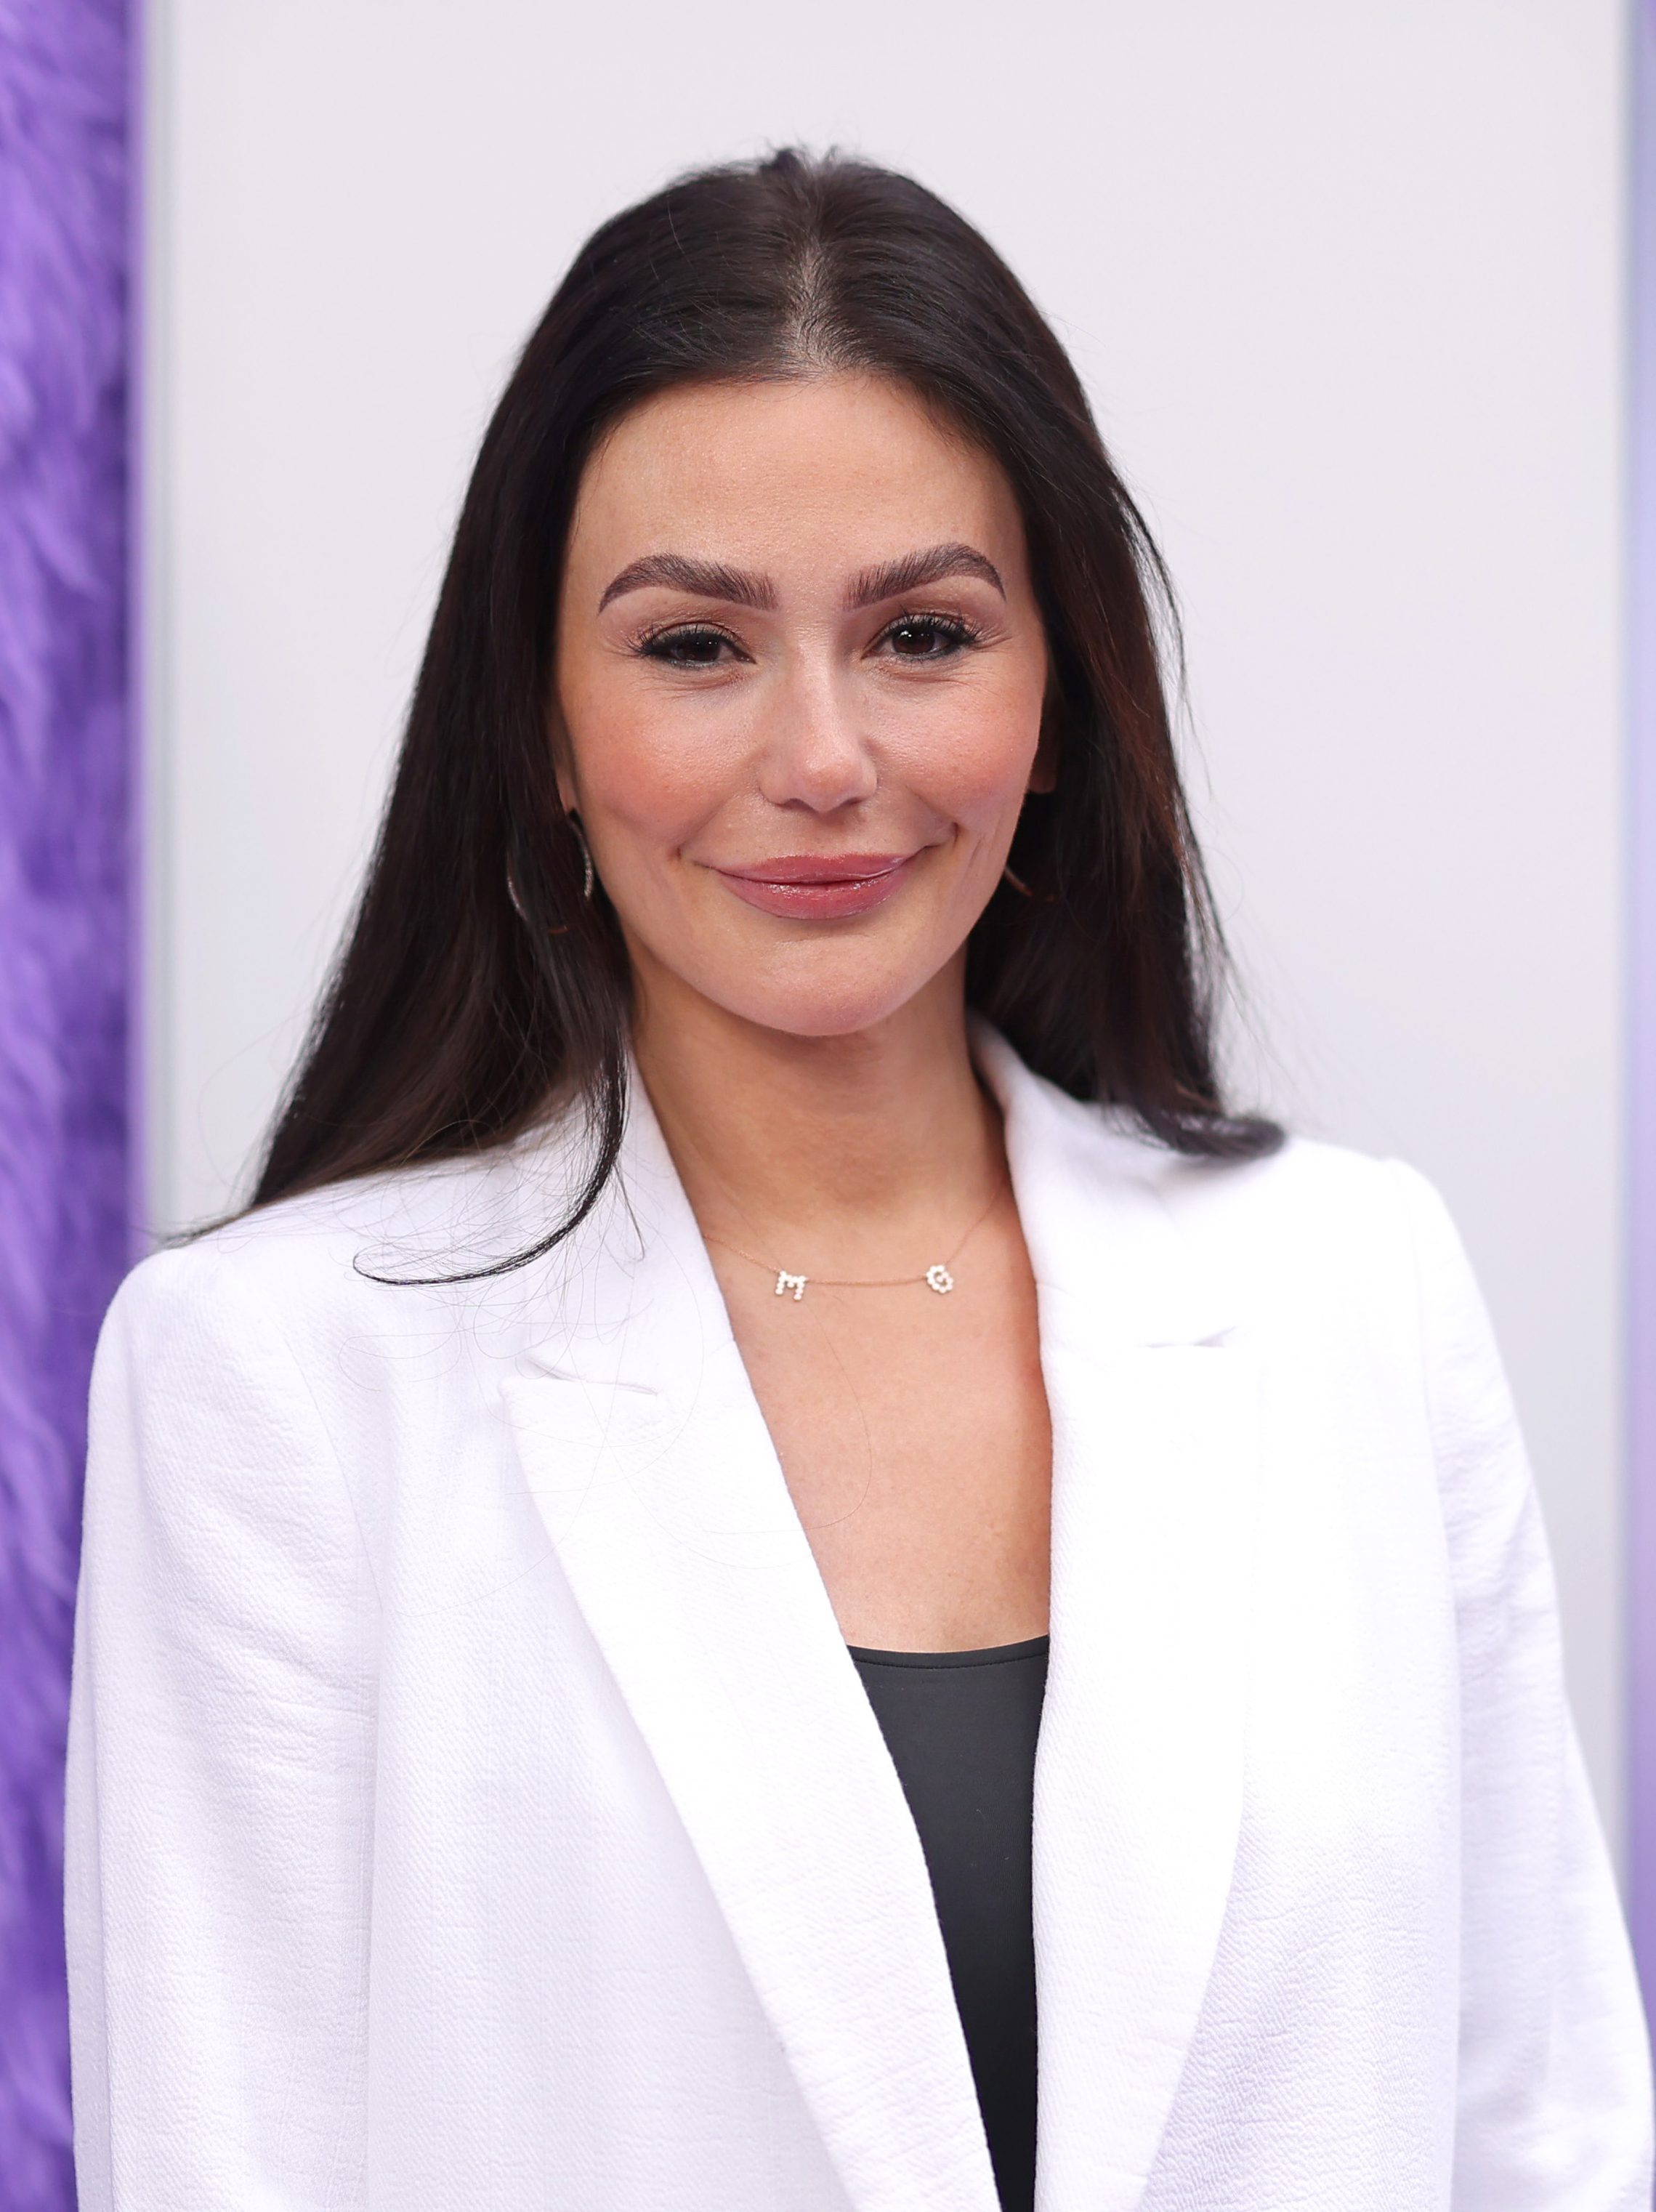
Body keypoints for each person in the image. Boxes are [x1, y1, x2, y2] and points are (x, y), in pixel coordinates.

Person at [66, 148, 1650, 2211]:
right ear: (540, 724)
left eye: (919, 631)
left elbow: (1544, 2135)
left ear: (1056, 692)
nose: (822, 755)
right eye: (695, 647)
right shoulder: (272, 1379)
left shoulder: (1353, 1292)